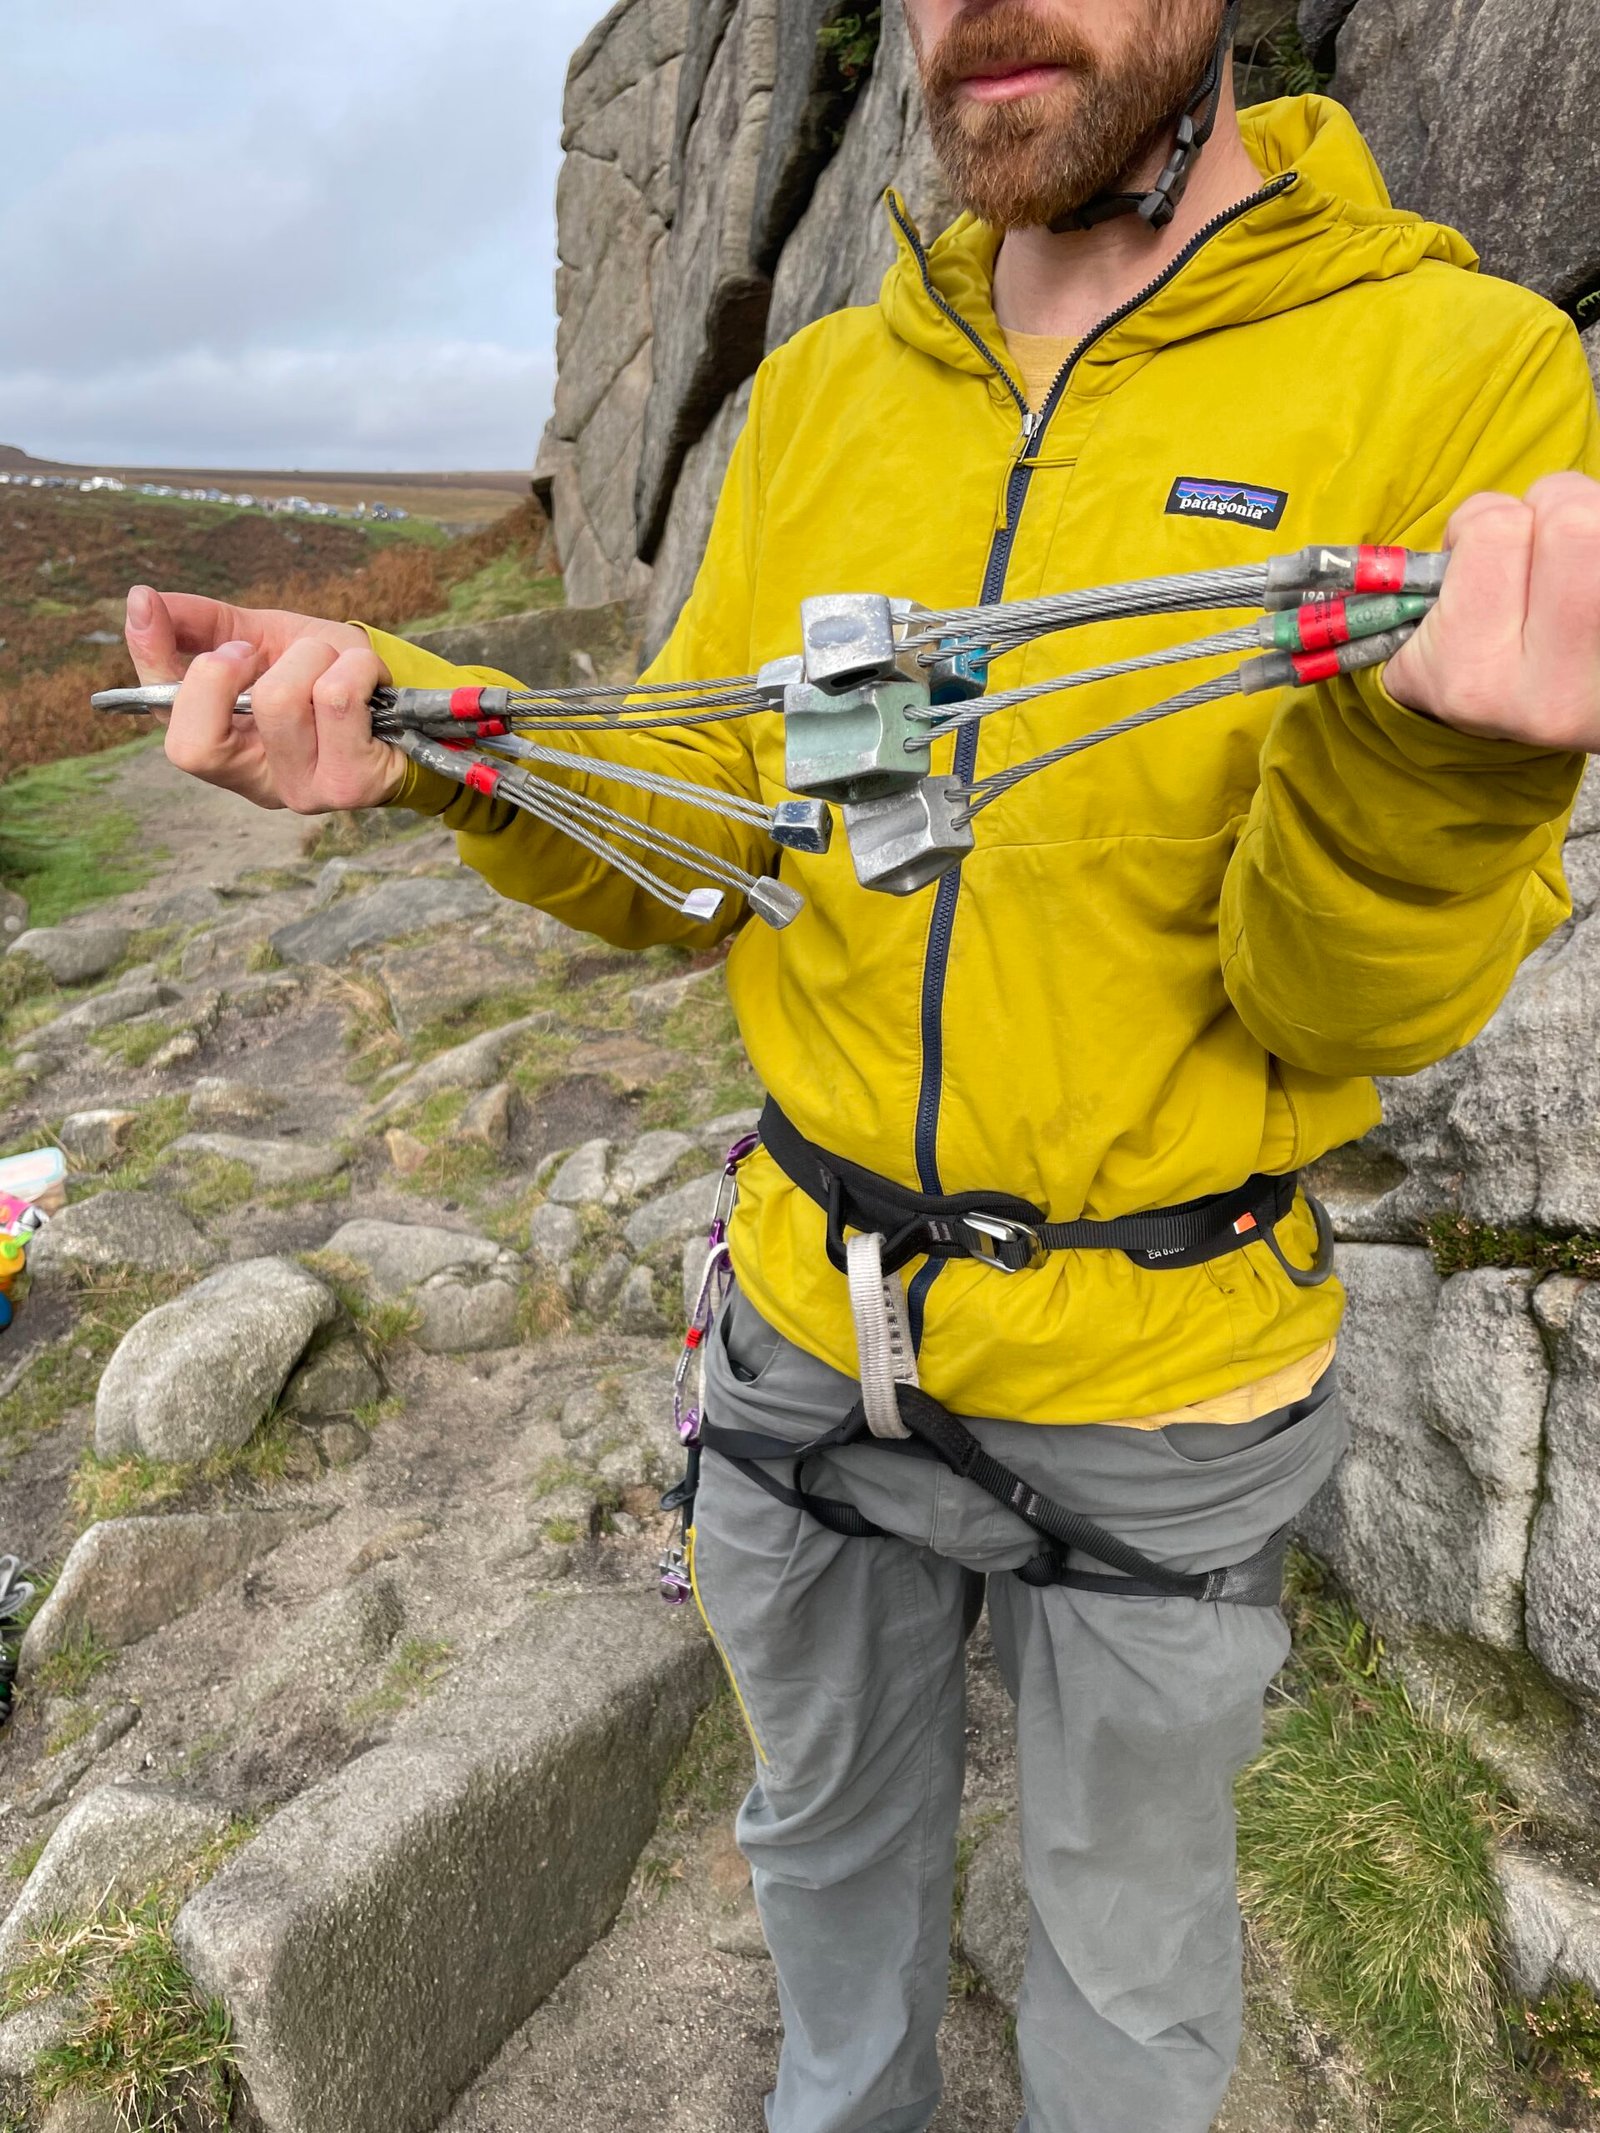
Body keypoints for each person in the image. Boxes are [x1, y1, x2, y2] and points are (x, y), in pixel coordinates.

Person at [126, 4, 1600, 2127]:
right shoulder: (828, 385)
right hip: (810, 1318)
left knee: (1127, 1939)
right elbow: (716, 823)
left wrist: (1432, 772)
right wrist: (427, 721)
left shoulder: (1454, 370)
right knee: (815, 1844)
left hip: (1160, 1366)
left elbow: (1331, 1013)